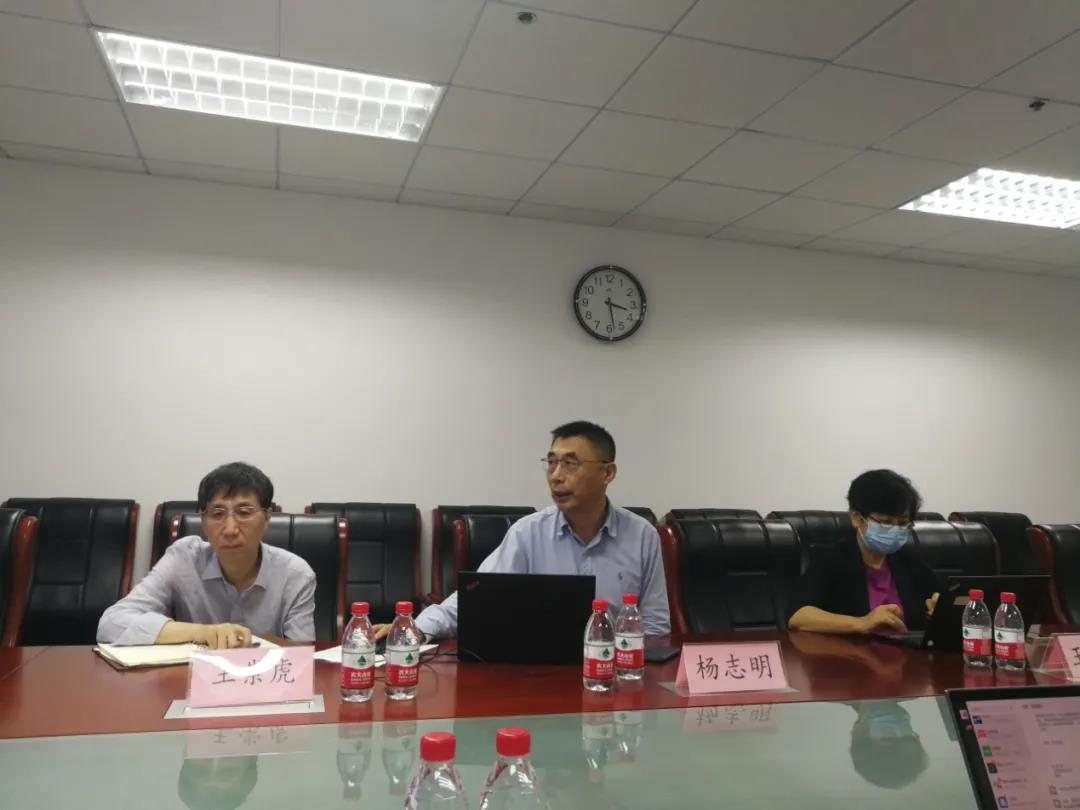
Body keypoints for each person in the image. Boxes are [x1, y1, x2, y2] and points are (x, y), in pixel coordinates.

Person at [377, 421, 669, 640]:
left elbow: (656, 626)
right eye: (551, 463)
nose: (556, 476)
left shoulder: (642, 537)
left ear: (607, 473)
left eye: (570, 464)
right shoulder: (528, 533)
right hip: (542, 674)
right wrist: (415, 628)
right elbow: (476, 599)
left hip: (613, 675)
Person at [97, 462, 315, 647]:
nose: (230, 529)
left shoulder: (295, 574)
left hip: (267, 680)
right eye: (217, 513)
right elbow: (111, 624)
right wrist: (202, 632)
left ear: (267, 517)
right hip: (192, 679)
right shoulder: (184, 558)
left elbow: (303, 656)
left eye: (244, 512)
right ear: (202, 520)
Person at [787, 469, 942, 635]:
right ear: (856, 518)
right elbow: (798, 617)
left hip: (905, 650)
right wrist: (862, 623)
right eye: (885, 522)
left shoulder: (910, 560)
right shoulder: (831, 559)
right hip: (850, 650)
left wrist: (939, 607)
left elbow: (939, 596)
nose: (895, 529)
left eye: (903, 523)